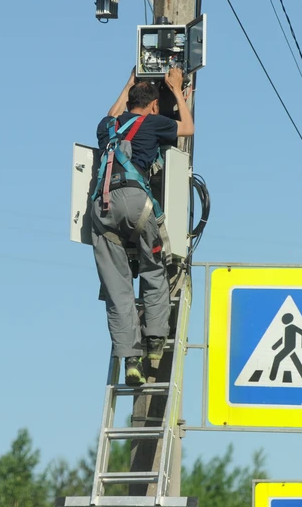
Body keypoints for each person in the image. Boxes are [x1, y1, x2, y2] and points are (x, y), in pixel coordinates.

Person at [90, 66, 194, 385]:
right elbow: (187, 128)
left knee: (117, 287)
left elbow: (112, 112)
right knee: (153, 269)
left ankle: (130, 358)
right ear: (151, 107)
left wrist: (128, 85)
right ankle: (154, 344)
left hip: (103, 207)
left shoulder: (108, 127)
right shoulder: (154, 122)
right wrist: (176, 89)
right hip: (137, 204)